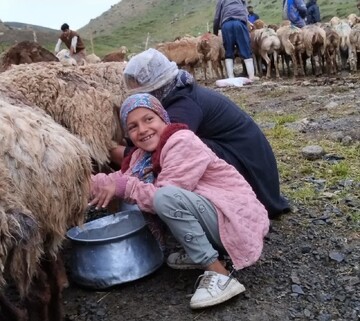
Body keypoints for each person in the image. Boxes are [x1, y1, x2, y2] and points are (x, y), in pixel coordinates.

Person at [89, 93, 270, 309]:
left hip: (233, 219)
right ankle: (202, 252)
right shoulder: (141, 157)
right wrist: (80, 181)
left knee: (165, 198)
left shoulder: (182, 141)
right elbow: (117, 179)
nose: (143, 129)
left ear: (163, 118)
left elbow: (165, 194)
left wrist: (125, 187)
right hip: (215, 216)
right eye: (133, 126)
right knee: (160, 198)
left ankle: (219, 275)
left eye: (149, 119)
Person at [117, 48, 290, 219]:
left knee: (177, 146)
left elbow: (159, 149)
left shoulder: (182, 105)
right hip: (250, 163)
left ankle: (211, 211)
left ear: (154, 86)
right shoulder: (179, 91)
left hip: (251, 175)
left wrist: (111, 152)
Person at [213, 0, 256, 80]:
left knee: (228, 50)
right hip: (239, 23)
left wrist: (215, 33)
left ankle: (231, 77)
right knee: (245, 48)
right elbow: (244, 12)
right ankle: (251, 76)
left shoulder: (221, 1)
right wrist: (248, 24)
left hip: (226, 24)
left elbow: (216, 17)